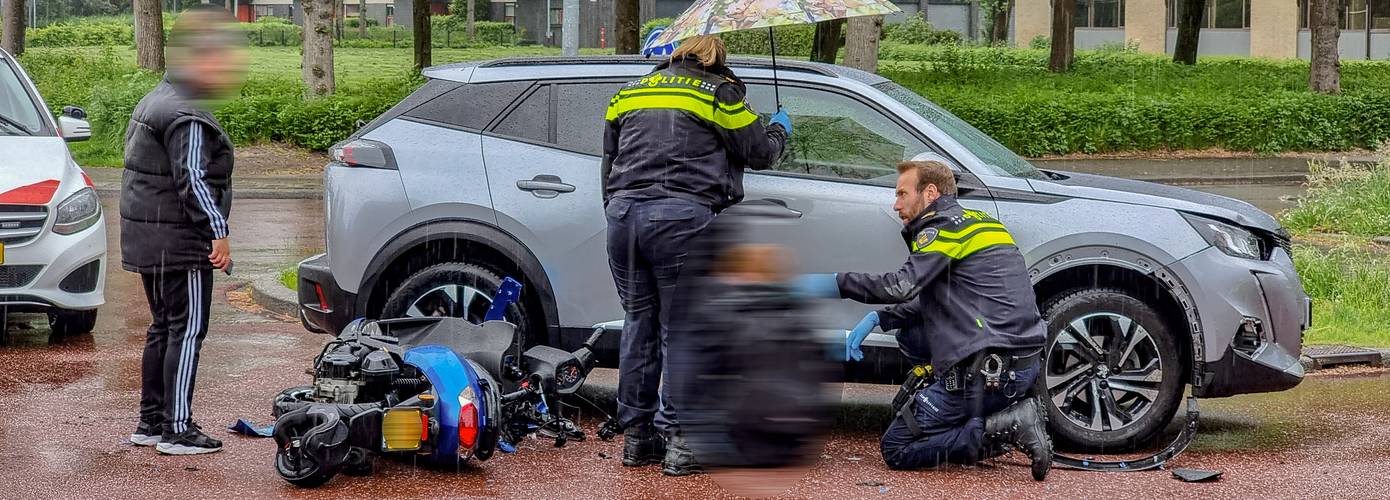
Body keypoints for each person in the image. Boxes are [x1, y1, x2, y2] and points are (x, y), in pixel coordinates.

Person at [601, 34, 790, 476]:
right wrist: (779, 128)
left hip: (623, 217)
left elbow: (608, 164)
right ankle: (682, 444)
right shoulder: (717, 93)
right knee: (683, 332)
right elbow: (759, 152)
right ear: (716, 56)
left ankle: (637, 437)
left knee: (639, 325)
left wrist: (618, 210)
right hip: (680, 218)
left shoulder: (627, 93)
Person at [798, 160, 1053, 480]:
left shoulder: (942, 227)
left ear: (930, 192)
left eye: (902, 193)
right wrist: (881, 317)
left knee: (897, 447)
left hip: (989, 369)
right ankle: (993, 417)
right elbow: (946, 298)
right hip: (1020, 363)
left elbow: (902, 286)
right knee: (910, 332)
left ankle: (1006, 425)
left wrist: (836, 283)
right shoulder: (979, 221)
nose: (896, 204)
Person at [121, 7, 246, 455]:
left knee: (164, 327)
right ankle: (177, 428)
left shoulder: (159, 96)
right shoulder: (186, 113)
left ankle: (150, 422)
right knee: (187, 330)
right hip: (180, 243)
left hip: (151, 239)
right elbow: (191, 177)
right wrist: (218, 231)